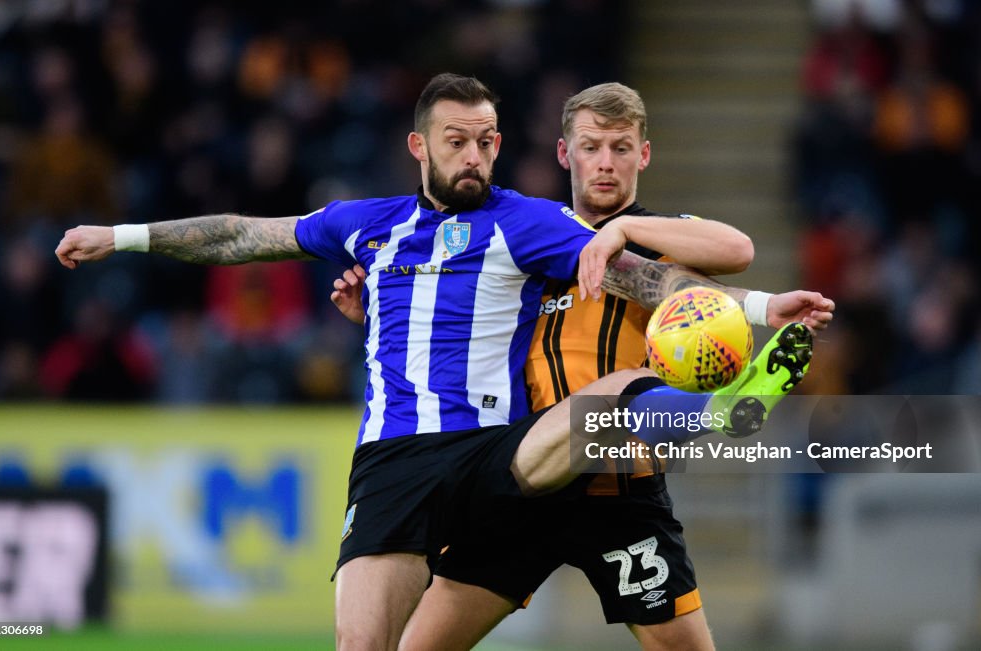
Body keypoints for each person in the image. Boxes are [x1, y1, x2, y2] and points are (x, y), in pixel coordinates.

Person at [55, 73, 817, 651]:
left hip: (507, 454)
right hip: (399, 460)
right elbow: (242, 234)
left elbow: (652, 278)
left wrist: (758, 306)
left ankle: (721, 412)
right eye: (458, 139)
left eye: (487, 139)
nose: (475, 154)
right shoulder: (368, 225)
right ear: (420, 146)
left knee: (609, 394)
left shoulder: (534, 222)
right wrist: (121, 236)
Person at [330, 83, 835, 651]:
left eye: (621, 148)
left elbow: (736, 247)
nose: (605, 163)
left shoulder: (664, 241)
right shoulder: (525, 237)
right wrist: (370, 316)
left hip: (620, 491)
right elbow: (453, 330)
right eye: (591, 147)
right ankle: (715, 412)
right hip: (522, 477)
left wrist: (625, 229)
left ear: (644, 155)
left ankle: (714, 411)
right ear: (563, 153)